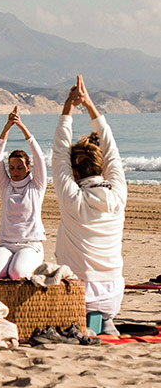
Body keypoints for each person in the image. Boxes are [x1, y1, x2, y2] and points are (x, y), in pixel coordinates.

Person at [53, 75, 126, 335]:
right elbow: (112, 149)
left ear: (75, 170)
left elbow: (59, 152)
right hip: (113, 293)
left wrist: (69, 106)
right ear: (101, 166)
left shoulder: (71, 197)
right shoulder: (117, 194)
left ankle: (88, 321)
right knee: (103, 317)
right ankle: (106, 321)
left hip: (76, 294)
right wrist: (88, 103)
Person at [0, 105, 47, 279]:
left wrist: (21, 126)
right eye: (12, 168)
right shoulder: (5, 186)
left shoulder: (37, 186)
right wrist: (7, 127)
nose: (15, 171)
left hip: (30, 244)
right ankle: (14, 261)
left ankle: (30, 262)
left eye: (20, 167)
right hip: (6, 244)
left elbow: (39, 157)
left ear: (28, 168)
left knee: (16, 273)